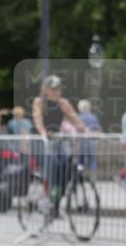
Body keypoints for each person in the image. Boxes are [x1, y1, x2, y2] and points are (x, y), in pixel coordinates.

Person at [32, 75, 86, 215]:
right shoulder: (39, 102)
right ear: (45, 90)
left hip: (57, 139)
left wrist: (86, 130)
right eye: (52, 89)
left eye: (58, 89)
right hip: (42, 141)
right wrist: (43, 132)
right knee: (52, 165)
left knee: (68, 167)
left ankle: (56, 201)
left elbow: (74, 118)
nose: (56, 91)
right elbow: (38, 120)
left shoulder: (63, 103)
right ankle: (45, 198)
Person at [77, 99, 101, 175]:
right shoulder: (93, 117)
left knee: (81, 160)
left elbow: (78, 129)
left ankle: (80, 176)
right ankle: (93, 177)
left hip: (82, 141)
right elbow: (98, 129)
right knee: (92, 160)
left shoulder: (79, 117)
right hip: (93, 141)